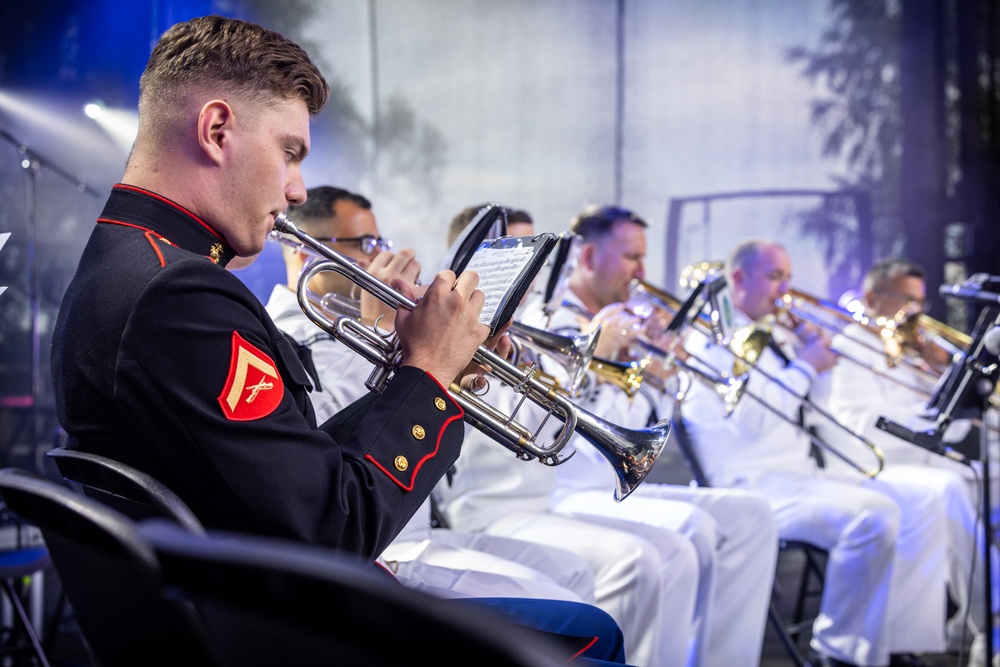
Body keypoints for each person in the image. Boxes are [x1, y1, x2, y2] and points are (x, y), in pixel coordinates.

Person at [49, 15, 629, 664]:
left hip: (245, 614)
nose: (296, 188)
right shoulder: (177, 295)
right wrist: (430, 376)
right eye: (290, 151)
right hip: (288, 632)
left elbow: (287, 472)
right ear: (216, 130)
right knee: (591, 636)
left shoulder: (125, 263)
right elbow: (333, 527)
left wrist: (413, 382)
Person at [265, 185, 598, 605]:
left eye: (380, 241)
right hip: (377, 550)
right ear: (303, 251)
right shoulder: (284, 337)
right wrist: (385, 332)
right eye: (364, 245)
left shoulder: (358, 321)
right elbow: (330, 439)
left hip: (416, 528)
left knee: (571, 578)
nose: (380, 258)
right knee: (570, 605)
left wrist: (463, 361)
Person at [514, 204, 779, 667]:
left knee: (750, 515)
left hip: (613, 479)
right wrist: (605, 354)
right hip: (569, 484)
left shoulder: (623, 319)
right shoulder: (550, 319)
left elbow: (638, 428)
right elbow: (574, 437)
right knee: (686, 537)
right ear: (591, 257)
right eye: (632, 257)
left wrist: (656, 369)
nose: (642, 272)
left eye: (643, 257)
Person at [679, 238, 950, 667]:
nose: (785, 287)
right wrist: (803, 365)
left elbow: (815, 410)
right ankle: (842, 652)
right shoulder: (712, 343)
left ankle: (897, 643)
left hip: (801, 475)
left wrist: (820, 360)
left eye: (787, 276)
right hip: (753, 485)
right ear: (737, 279)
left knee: (921, 502)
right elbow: (754, 424)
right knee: (872, 516)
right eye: (774, 276)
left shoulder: (778, 336)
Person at [820, 258, 999, 664]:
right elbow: (858, 427)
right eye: (905, 300)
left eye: (919, 302)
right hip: (867, 466)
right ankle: (991, 620)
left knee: (978, 479)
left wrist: (941, 372)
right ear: (871, 298)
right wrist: (927, 426)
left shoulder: (911, 349)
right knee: (951, 488)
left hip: (920, 459)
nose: (916, 313)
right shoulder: (848, 345)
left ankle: (969, 623)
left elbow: (951, 429)